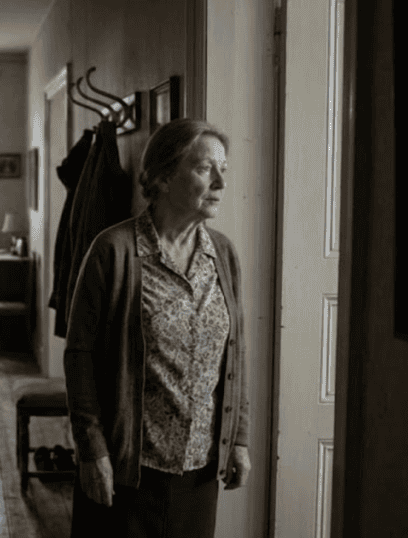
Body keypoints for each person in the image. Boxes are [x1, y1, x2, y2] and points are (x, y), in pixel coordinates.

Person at [63, 118, 251, 537]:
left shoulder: (222, 253)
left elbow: (235, 353)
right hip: (128, 467)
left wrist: (238, 438)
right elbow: (80, 358)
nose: (220, 181)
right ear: (163, 177)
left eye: (224, 169)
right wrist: (92, 451)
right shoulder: (113, 251)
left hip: (200, 469)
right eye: (205, 169)